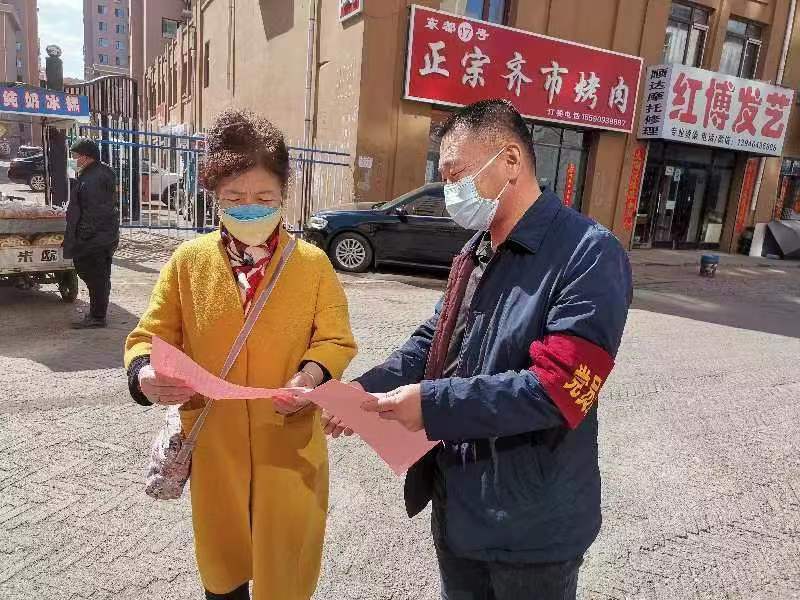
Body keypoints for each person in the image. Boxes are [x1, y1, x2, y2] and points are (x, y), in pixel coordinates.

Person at [326, 100, 633, 599]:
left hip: (533, 529)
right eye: (444, 177)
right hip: (460, 508)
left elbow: (560, 389)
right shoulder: (477, 250)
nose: (451, 191)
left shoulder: (588, 253)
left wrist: (431, 405)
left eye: (457, 174)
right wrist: (363, 390)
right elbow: (436, 340)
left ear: (510, 161)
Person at [124, 109, 357, 600]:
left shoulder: (312, 265)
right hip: (216, 448)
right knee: (223, 571)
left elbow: (335, 340)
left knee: (284, 571)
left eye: (264, 198)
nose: (250, 209)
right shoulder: (188, 262)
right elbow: (148, 335)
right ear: (214, 196)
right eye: (234, 198)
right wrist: (143, 374)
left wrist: (310, 376)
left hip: (289, 447)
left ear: (283, 195)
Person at [64, 137, 120, 328]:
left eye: (76, 156)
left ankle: (97, 317)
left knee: (96, 277)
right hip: (102, 235)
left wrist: (83, 236)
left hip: (95, 238)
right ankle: (97, 314)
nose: (73, 160)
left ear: (87, 157)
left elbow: (95, 211)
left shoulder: (93, 179)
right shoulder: (96, 173)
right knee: (99, 277)